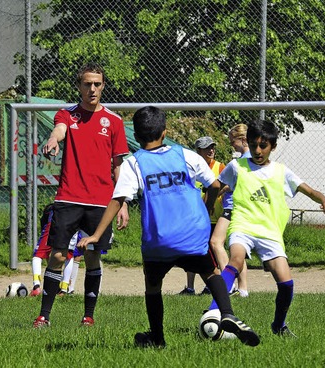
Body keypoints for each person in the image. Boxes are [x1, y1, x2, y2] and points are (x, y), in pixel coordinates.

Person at [78, 106, 260, 348]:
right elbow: (214, 185)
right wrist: (204, 212)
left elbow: (117, 199)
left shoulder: (134, 163)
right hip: (192, 233)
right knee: (211, 273)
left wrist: (96, 235)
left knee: (152, 285)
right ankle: (227, 313)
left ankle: (157, 337)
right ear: (164, 132)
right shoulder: (185, 155)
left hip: (159, 239)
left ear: (138, 136)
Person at [207, 119, 325, 338]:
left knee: (286, 283)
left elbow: (308, 190)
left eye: (263, 146)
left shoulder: (281, 172)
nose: (258, 150)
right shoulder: (237, 166)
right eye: (254, 144)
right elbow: (217, 185)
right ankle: (214, 312)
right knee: (236, 260)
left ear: (273, 147)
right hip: (243, 224)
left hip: (269, 231)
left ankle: (279, 325)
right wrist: (209, 204)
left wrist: (323, 199)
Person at [33, 62, 130, 328]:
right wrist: (54, 140)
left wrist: (122, 203)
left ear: (103, 86)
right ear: (79, 86)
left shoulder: (114, 121)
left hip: (101, 201)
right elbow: (59, 130)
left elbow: (118, 165)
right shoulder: (67, 115)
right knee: (57, 255)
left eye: (97, 84)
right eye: (87, 84)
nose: (92, 89)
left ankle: (88, 315)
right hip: (68, 197)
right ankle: (44, 316)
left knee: (91, 256)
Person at [209, 124, 251, 297]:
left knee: (215, 242)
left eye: (233, 141)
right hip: (244, 209)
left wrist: (212, 198)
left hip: (232, 207)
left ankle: (229, 284)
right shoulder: (255, 160)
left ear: (242, 140)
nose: (232, 145)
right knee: (237, 250)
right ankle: (243, 289)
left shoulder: (237, 163)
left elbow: (217, 184)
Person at [180, 136, 225, 296]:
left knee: (212, 252)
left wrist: (215, 197)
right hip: (193, 217)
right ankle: (190, 287)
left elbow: (228, 186)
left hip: (213, 217)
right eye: (207, 148)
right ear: (198, 151)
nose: (211, 150)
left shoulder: (220, 167)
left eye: (212, 147)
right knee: (191, 251)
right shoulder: (190, 167)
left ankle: (210, 285)